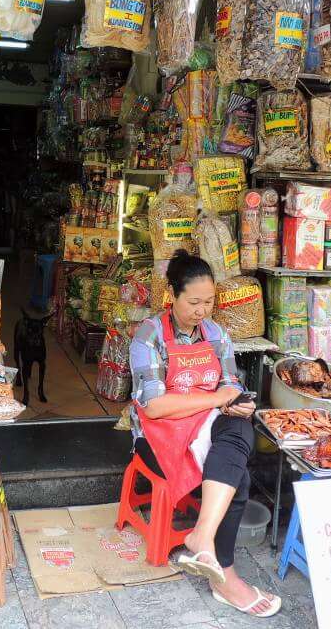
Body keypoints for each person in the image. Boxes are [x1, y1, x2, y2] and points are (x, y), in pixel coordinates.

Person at [129, 250, 280, 618]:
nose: (202, 311)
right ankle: (224, 575)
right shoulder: (149, 334)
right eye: (194, 302)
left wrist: (236, 402)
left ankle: (202, 539)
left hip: (208, 425)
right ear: (172, 295)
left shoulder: (216, 333)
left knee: (240, 424)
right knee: (239, 475)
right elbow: (154, 407)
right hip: (159, 434)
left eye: (209, 302)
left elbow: (230, 385)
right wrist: (217, 399)